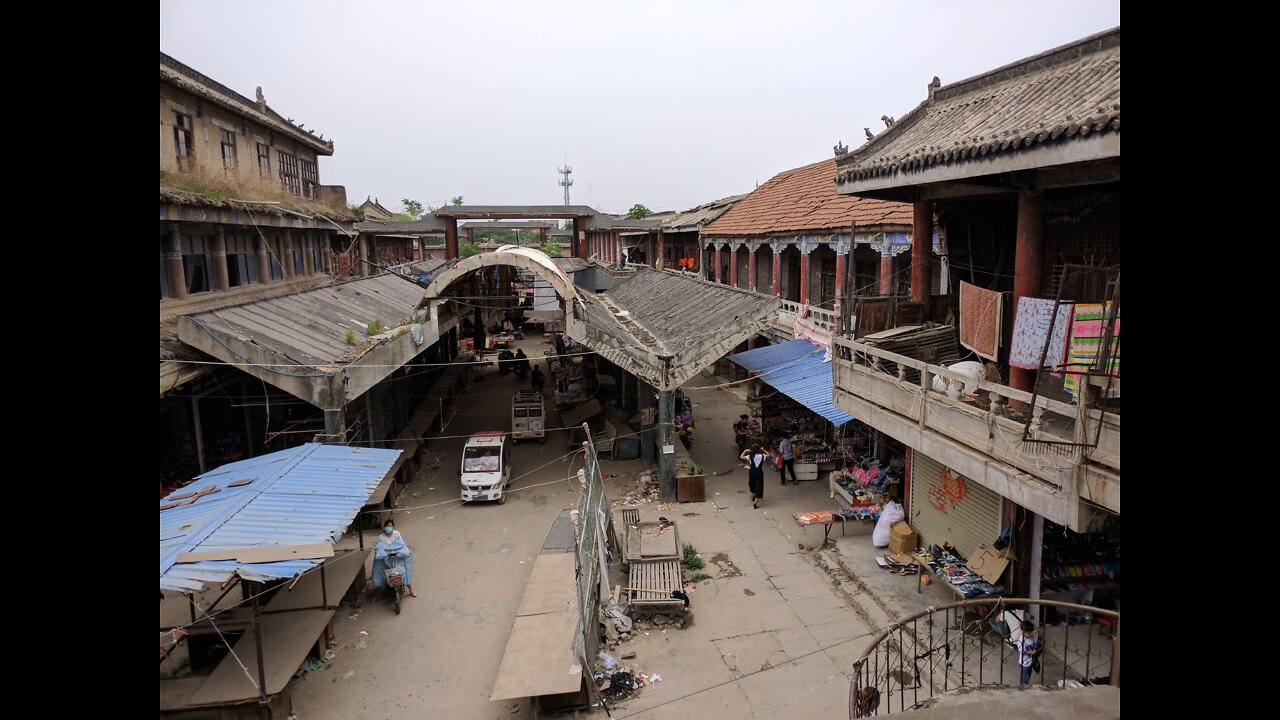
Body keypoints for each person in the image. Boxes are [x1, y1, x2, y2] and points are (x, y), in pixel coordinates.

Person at [371, 519, 416, 598]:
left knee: (405, 567)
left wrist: (400, 552)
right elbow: (379, 548)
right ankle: (378, 588)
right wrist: (380, 553)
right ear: (384, 527)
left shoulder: (397, 534)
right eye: (387, 526)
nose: (388, 527)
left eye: (390, 526)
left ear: (393, 527)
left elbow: (401, 545)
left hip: (397, 557)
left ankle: (410, 588)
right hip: (386, 558)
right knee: (377, 563)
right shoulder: (382, 537)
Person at [741, 444, 771, 510]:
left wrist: (746, 450)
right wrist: (764, 450)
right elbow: (769, 455)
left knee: (751, 483)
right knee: (759, 486)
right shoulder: (762, 456)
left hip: (752, 472)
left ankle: (752, 495)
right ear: (758, 450)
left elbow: (741, 457)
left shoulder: (750, 456)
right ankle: (755, 503)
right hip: (759, 472)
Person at [1017, 620, 1042, 685]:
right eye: (1026, 633)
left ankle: (1026, 682)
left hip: (1031, 660)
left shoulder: (1033, 636)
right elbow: (1021, 651)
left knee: (1029, 673)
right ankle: (1023, 685)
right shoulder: (1021, 640)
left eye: (1030, 633)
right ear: (1021, 630)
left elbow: (1039, 638)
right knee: (1025, 677)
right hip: (1024, 663)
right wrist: (1030, 652)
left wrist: (1037, 632)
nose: (1028, 635)